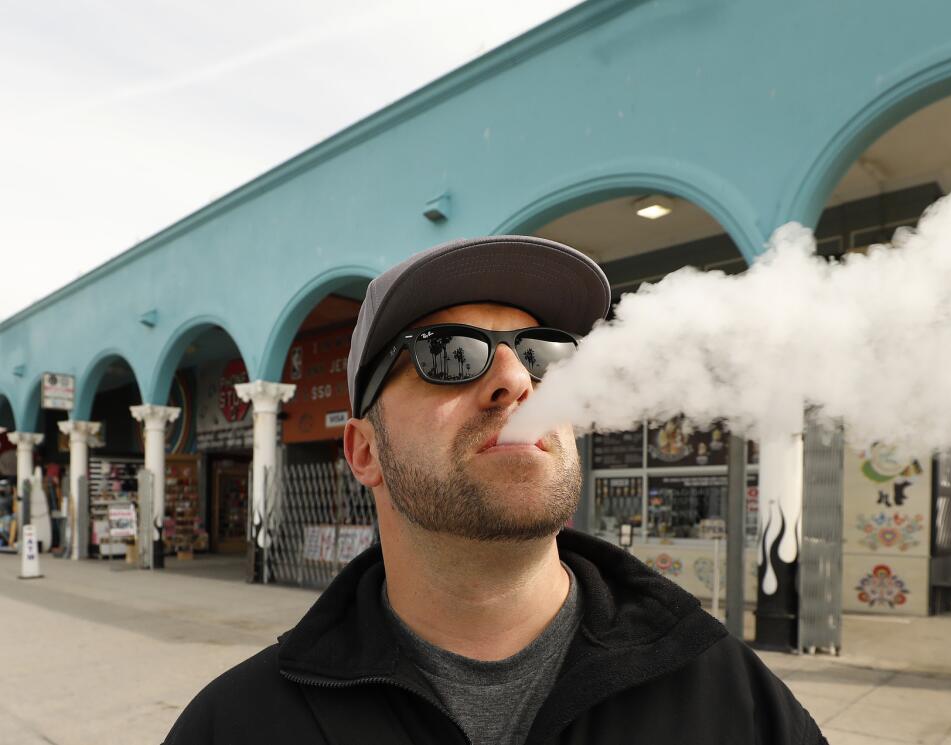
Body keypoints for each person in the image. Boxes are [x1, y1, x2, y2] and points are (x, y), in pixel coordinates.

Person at [164, 235, 827, 744]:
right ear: (365, 451)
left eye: (543, 353)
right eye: (449, 353)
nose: (515, 378)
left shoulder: (733, 702)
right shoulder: (238, 726)